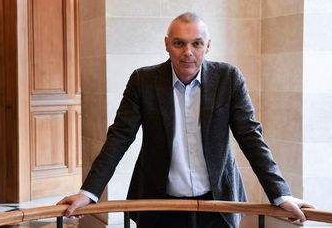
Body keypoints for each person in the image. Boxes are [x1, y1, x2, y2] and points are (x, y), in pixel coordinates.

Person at [57, 12, 314, 228]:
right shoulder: (143, 81)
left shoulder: (229, 78)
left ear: (208, 45)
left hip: (218, 204)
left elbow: (250, 136)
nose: (188, 52)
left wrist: (280, 194)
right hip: (159, 206)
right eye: (179, 43)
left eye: (196, 43)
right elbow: (119, 137)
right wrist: (89, 193)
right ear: (167, 44)